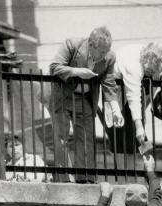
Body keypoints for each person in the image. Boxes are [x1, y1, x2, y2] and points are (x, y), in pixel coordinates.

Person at [49, 26, 124, 183]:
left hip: (85, 99)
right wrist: (77, 72)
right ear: (91, 44)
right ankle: (63, 180)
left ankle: (85, 179)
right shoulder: (72, 45)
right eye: (102, 52)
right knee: (61, 138)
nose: (104, 55)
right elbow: (54, 67)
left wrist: (115, 109)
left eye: (106, 51)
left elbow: (109, 82)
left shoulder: (109, 57)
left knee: (86, 138)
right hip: (64, 96)